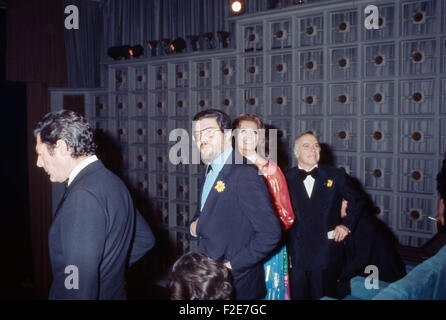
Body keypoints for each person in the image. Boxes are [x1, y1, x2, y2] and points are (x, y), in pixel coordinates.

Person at [34, 110, 155, 299]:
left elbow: (76, 287)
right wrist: (108, 271)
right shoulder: (113, 181)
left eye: (41, 155)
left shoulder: (82, 195)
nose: (38, 163)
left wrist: (95, 273)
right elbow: (144, 239)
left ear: (62, 147)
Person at [189, 109, 282, 300]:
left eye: (208, 132)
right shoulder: (210, 168)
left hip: (236, 284)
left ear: (228, 135)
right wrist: (192, 227)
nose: (201, 139)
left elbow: (270, 233)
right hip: (209, 279)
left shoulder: (243, 173)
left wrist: (231, 266)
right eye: (197, 135)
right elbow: (204, 212)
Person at [285, 132, 365, 300]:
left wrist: (346, 225)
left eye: (316, 146)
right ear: (296, 152)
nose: (313, 150)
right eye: (307, 146)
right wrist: (284, 252)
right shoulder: (285, 177)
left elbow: (357, 199)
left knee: (323, 296)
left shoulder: (335, 175)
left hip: (326, 252)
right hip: (296, 254)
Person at [232, 113, 295, 300]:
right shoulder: (226, 168)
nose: (248, 136)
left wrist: (259, 235)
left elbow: (286, 216)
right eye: (243, 131)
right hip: (233, 246)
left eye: (254, 132)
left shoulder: (270, 171)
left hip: (264, 249)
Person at [336, 199, 406, 298]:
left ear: (346, 203)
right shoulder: (359, 218)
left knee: (335, 287)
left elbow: (360, 260)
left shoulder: (363, 223)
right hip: (373, 269)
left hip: (383, 279)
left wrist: (340, 277)